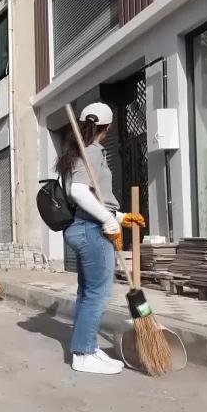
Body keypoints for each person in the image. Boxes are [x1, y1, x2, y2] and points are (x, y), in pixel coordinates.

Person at [57, 102, 145, 374]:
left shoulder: (75, 152)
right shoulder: (91, 151)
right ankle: (83, 355)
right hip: (92, 229)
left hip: (85, 226)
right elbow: (79, 192)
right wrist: (108, 220)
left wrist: (120, 216)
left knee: (87, 293)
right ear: (106, 127)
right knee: (98, 293)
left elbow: (93, 197)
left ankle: (89, 346)